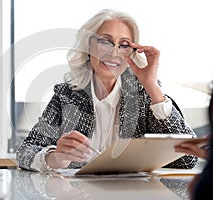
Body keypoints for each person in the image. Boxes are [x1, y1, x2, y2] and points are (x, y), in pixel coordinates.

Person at [16, 9, 198, 172]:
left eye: (124, 45)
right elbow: (25, 151)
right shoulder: (67, 95)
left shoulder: (144, 94)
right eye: (105, 41)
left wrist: (152, 87)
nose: (114, 53)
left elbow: (188, 158)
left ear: (132, 52)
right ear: (88, 46)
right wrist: (56, 158)